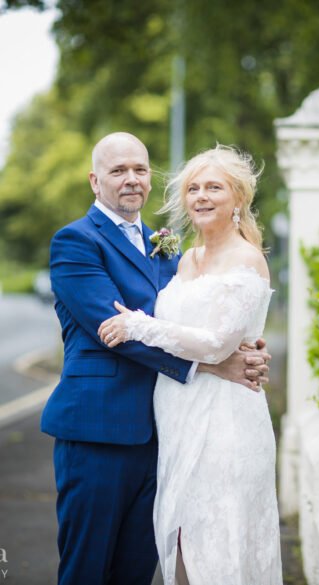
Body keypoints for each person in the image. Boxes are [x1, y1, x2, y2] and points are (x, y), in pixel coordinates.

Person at [41, 132, 270, 585]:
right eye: (118, 170)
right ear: (95, 180)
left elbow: (197, 322)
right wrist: (211, 365)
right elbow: (115, 331)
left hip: (168, 434)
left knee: (137, 571)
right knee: (87, 568)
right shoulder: (76, 242)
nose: (131, 179)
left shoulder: (170, 248)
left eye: (140, 170)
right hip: (99, 432)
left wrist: (245, 347)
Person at [98, 145, 283, 585]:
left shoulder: (247, 259)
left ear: (237, 198)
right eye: (193, 188)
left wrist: (138, 326)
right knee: (180, 539)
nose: (201, 196)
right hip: (177, 415)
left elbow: (218, 345)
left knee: (219, 542)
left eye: (213, 187)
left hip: (225, 422)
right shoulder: (185, 259)